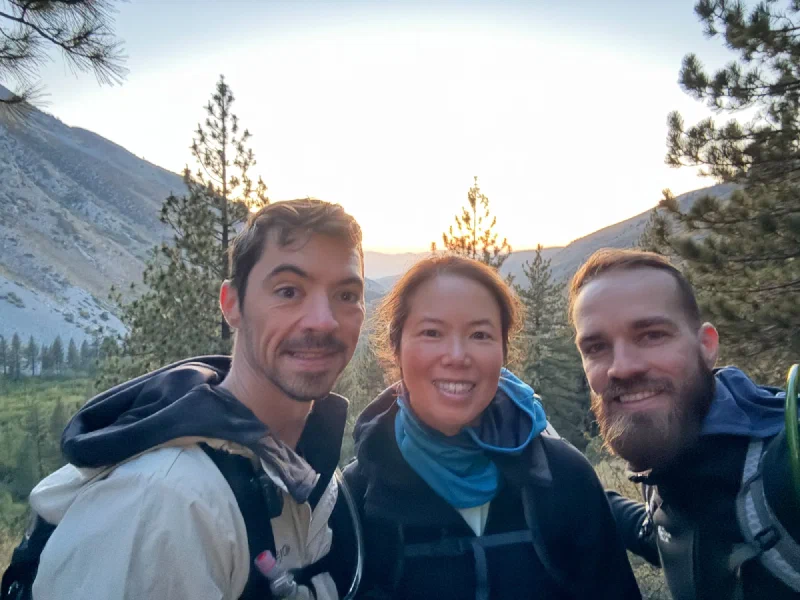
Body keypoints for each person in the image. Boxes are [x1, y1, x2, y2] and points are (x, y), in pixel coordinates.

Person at [15, 199, 366, 600]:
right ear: (231, 304)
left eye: (347, 295)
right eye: (289, 291)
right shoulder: (166, 504)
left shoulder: (305, 466)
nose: (323, 320)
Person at [342, 255, 641, 600]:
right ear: (396, 347)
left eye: (480, 334)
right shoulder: (361, 493)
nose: (456, 355)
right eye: (432, 332)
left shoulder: (562, 477)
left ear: (503, 350)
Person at [569, 248, 800, 600]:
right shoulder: (670, 459)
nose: (623, 367)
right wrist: (560, 470)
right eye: (596, 347)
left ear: (706, 345)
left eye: (651, 335)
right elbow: (669, 533)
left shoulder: (784, 467)